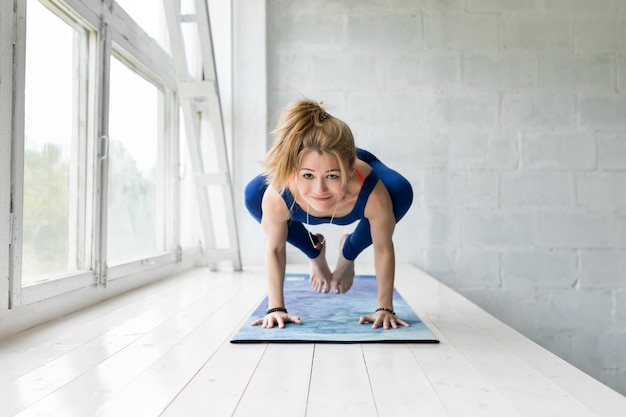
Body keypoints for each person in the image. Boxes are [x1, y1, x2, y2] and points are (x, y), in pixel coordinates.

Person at [244, 99, 413, 330]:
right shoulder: (279, 194)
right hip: (303, 170)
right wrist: (276, 309)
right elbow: (275, 248)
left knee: (400, 193)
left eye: (332, 177)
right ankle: (314, 249)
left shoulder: (371, 193)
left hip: (354, 169)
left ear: (350, 170)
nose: (319, 190)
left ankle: (348, 251)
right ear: (294, 171)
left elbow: (383, 247)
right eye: (308, 176)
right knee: (254, 194)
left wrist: (384, 307)